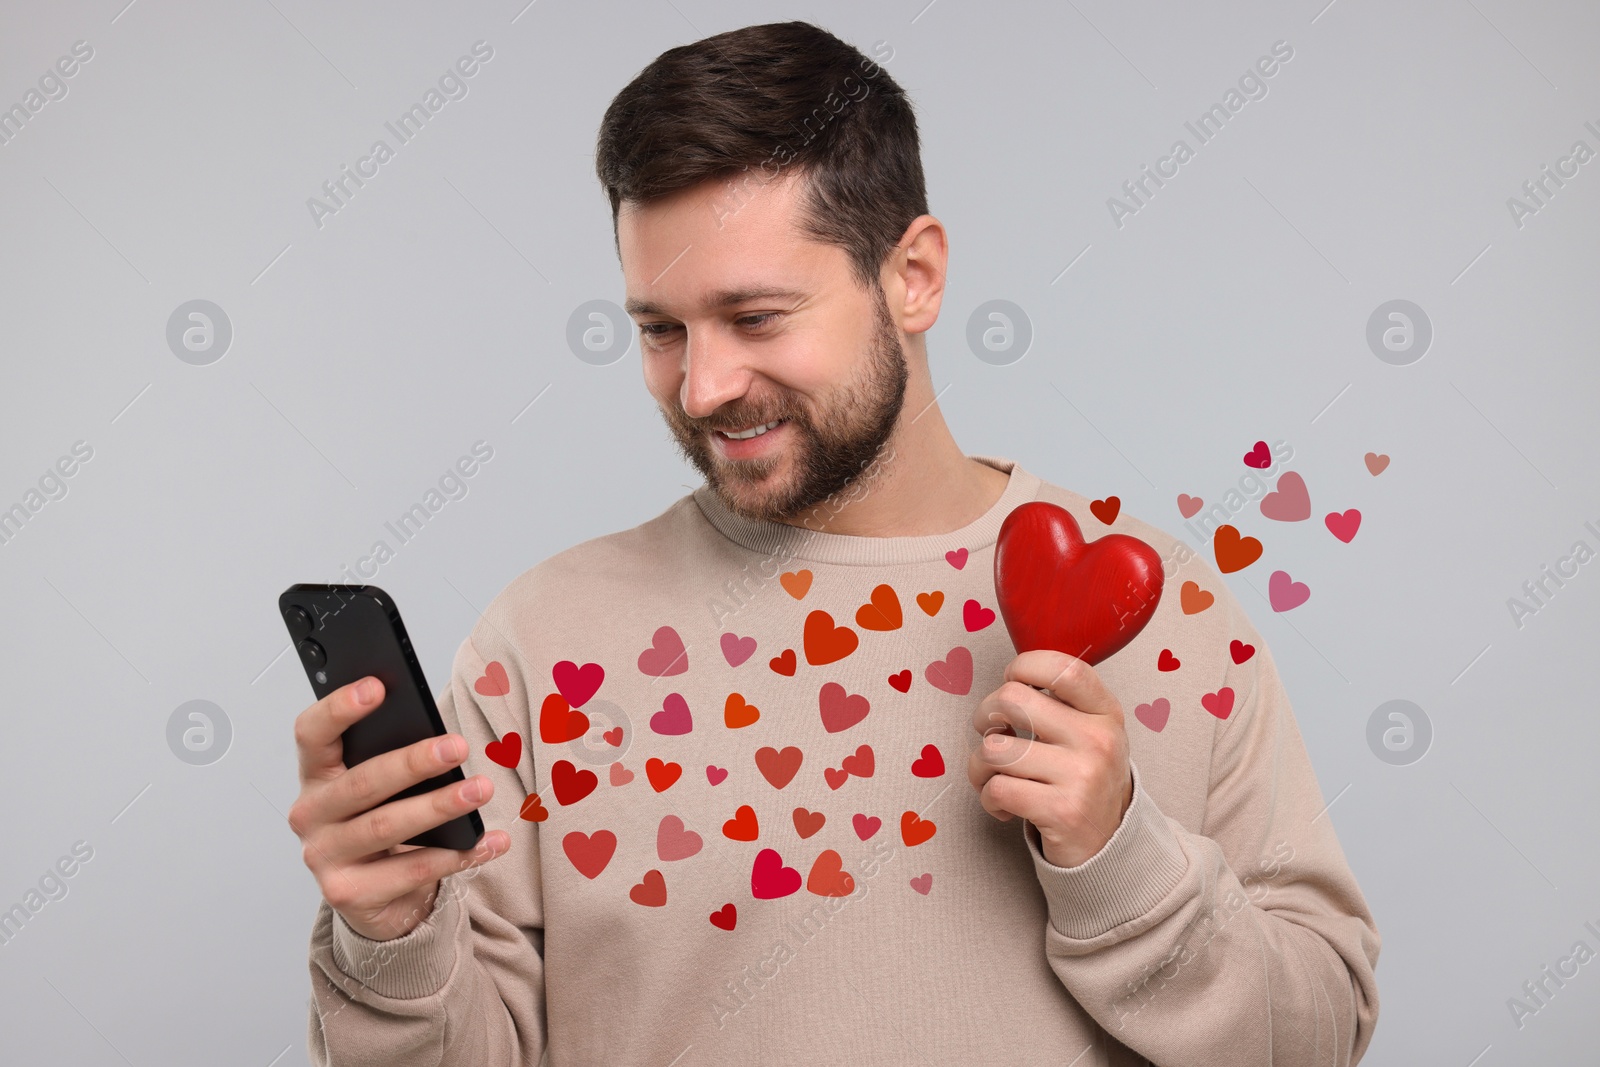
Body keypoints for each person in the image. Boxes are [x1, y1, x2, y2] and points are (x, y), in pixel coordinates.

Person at [291, 20, 1379, 1066]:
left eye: (756, 316)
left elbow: (1316, 1041)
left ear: (912, 277)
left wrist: (1118, 857)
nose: (705, 384)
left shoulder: (1166, 613)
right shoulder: (541, 643)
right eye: (661, 329)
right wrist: (390, 941)